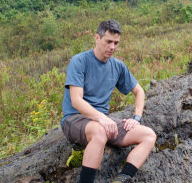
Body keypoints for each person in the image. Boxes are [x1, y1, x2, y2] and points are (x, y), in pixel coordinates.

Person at [61, 19, 157, 183]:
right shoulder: (79, 61)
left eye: (116, 43)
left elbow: (139, 91)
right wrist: (102, 118)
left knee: (149, 135)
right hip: (75, 119)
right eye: (108, 42)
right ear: (97, 38)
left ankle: (121, 179)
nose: (112, 47)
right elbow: (76, 100)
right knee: (100, 131)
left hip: (102, 122)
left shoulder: (118, 66)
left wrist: (136, 118)